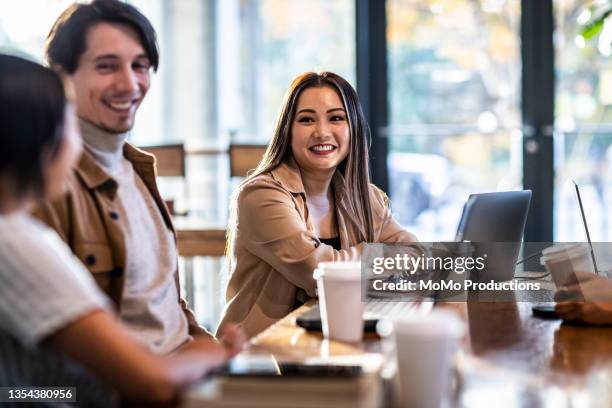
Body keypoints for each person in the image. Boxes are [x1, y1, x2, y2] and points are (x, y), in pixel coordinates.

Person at [0, 54, 241, 406]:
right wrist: (220, 354)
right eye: (70, 121)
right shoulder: (14, 241)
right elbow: (149, 382)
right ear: (41, 140)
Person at [33, 0, 243, 352]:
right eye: (106, 66)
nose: (129, 83)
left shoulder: (136, 169)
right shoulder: (47, 186)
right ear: (60, 75)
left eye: (140, 66)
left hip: (185, 373)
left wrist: (211, 350)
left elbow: (165, 305)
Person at [217, 71, 417, 337]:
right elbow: (320, 273)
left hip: (331, 342)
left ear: (353, 128)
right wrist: (381, 254)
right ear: (288, 131)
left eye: (336, 118)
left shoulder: (365, 196)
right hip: (262, 358)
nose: (322, 132)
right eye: (307, 120)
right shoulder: (260, 194)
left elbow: (415, 255)